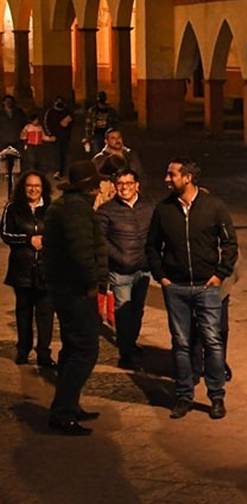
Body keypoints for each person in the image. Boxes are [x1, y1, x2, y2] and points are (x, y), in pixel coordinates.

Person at [146, 158, 238, 420]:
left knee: (213, 342)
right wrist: (161, 276)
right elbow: (152, 245)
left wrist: (220, 275)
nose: (167, 179)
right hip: (176, 287)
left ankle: (216, 396)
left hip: (206, 286)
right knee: (181, 343)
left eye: (172, 174)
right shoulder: (164, 209)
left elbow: (230, 244)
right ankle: (184, 395)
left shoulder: (214, 206)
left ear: (187, 177)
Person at [42, 161, 107, 435]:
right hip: (75, 290)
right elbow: (82, 252)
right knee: (85, 349)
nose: (101, 189)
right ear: (90, 187)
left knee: (72, 348)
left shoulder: (65, 205)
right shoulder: (76, 209)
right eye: (98, 185)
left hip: (64, 288)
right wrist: (93, 283)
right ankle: (63, 412)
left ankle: (69, 405)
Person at [96, 167, 154, 370]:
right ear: (115, 186)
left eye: (129, 183)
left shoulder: (148, 207)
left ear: (137, 185)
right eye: (120, 184)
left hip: (143, 269)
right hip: (120, 271)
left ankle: (131, 343)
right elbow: (100, 240)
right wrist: (119, 256)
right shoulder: (106, 210)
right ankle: (125, 352)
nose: (124, 188)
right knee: (123, 311)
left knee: (137, 310)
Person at [3, 170, 55, 368]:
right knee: (23, 312)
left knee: (45, 314)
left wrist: (45, 241)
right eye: (29, 186)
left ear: (43, 188)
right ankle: (23, 350)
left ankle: (44, 353)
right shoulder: (13, 208)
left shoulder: (51, 208)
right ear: (23, 188)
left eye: (37, 186)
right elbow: (6, 234)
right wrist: (28, 240)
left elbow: (59, 235)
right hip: (22, 270)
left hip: (46, 270)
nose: (33, 189)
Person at [0, 95, 28, 192]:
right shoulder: (1, 113)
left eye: (10, 101)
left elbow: (25, 124)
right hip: (3, 139)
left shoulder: (19, 112)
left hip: (17, 139)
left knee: (18, 158)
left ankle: (17, 175)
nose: (8, 102)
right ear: (3, 102)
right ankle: (6, 174)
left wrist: (24, 133)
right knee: (4, 158)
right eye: (6, 101)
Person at [43, 96, 74, 179]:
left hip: (65, 137)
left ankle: (64, 172)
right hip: (55, 137)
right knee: (56, 155)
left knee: (64, 155)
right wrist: (50, 134)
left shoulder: (67, 112)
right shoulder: (50, 112)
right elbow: (46, 123)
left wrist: (68, 126)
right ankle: (57, 171)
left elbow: (71, 123)